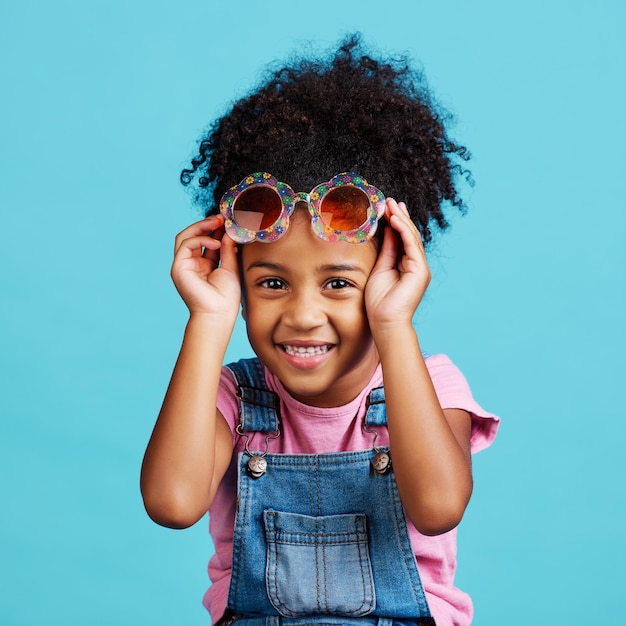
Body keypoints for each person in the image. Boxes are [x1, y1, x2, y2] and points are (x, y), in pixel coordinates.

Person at [141, 35, 500, 626]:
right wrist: (209, 318)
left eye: (338, 284)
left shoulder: (433, 384)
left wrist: (393, 322)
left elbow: (437, 506)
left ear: (392, 270)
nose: (303, 314)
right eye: (272, 284)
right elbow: (172, 503)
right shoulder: (235, 396)